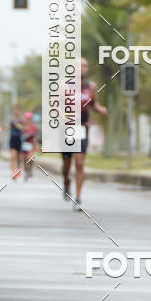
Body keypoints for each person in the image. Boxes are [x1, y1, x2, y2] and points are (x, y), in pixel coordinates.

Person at [61, 57, 107, 211]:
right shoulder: (64, 86)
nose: (82, 68)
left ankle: (78, 198)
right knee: (67, 164)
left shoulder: (91, 87)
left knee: (79, 163)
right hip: (66, 128)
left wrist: (100, 109)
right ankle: (66, 181)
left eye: (85, 66)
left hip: (82, 127)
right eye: (79, 65)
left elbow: (93, 104)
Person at [21, 112, 38, 179]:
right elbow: (21, 135)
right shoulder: (22, 127)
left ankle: (30, 169)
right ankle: (26, 172)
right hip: (24, 144)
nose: (28, 120)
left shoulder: (33, 127)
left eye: (29, 118)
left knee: (31, 159)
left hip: (31, 144)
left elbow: (35, 136)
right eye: (27, 118)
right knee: (24, 159)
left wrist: (36, 146)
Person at [9, 108, 23, 179]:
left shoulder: (21, 119)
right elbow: (16, 125)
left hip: (19, 139)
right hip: (13, 139)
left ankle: (18, 171)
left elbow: (22, 127)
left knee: (18, 158)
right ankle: (13, 173)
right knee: (13, 156)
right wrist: (19, 125)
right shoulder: (12, 119)